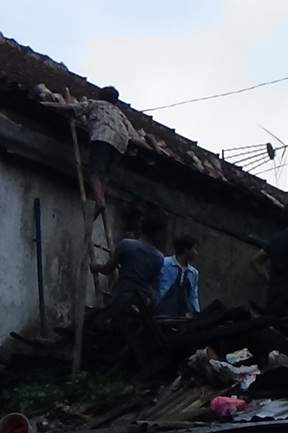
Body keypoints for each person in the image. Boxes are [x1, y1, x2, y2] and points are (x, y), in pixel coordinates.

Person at [42, 86, 148, 218]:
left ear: (101, 96)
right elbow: (135, 137)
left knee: (94, 173)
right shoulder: (120, 114)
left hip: (103, 136)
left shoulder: (95, 104)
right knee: (105, 175)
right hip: (120, 144)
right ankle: (100, 196)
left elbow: (71, 108)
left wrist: (45, 103)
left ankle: (99, 201)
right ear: (116, 101)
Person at [90, 211, 166, 364]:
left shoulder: (126, 245)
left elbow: (107, 269)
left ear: (141, 227)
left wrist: (95, 267)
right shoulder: (159, 257)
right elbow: (151, 281)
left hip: (122, 297)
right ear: (157, 234)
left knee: (111, 329)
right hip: (143, 302)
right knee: (133, 335)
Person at [157, 235, 201, 316]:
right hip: (161, 308)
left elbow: (193, 295)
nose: (196, 253)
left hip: (180, 314)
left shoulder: (193, 273)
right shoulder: (164, 263)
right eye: (194, 249)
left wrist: (196, 311)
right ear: (186, 249)